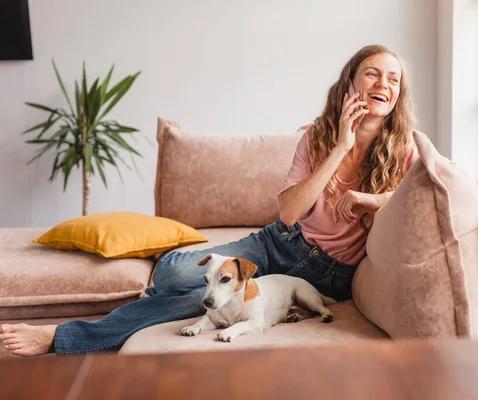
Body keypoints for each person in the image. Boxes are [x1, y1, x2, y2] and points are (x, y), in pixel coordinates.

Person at [1, 44, 419, 357]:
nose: (383, 84)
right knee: (170, 276)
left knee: (198, 301)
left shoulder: (408, 149)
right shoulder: (318, 137)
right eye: (372, 74)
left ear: (399, 93)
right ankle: (161, 299)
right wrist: (341, 147)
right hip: (277, 242)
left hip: (326, 274)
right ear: (351, 83)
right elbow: (290, 212)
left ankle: (59, 337)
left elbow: (422, 195)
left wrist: (369, 197)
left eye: (393, 79)